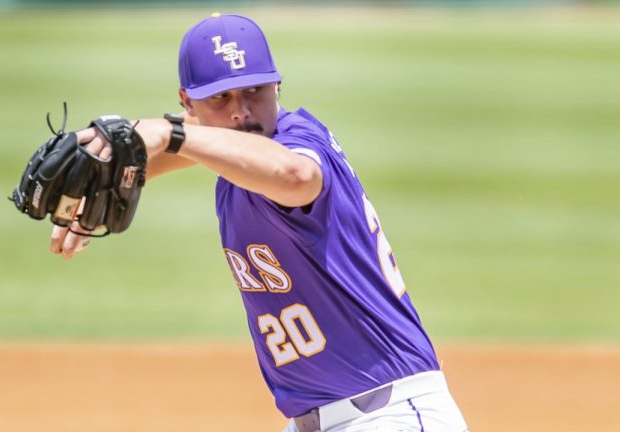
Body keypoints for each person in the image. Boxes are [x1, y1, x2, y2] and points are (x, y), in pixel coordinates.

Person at [50, 13, 469, 432]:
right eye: (221, 99)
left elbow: (295, 176)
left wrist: (169, 133)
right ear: (187, 102)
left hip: (388, 415)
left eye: (255, 91)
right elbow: (188, 150)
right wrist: (105, 183)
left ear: (277, 85)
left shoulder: (298, 144)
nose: (242, 112)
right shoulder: (235, 160)